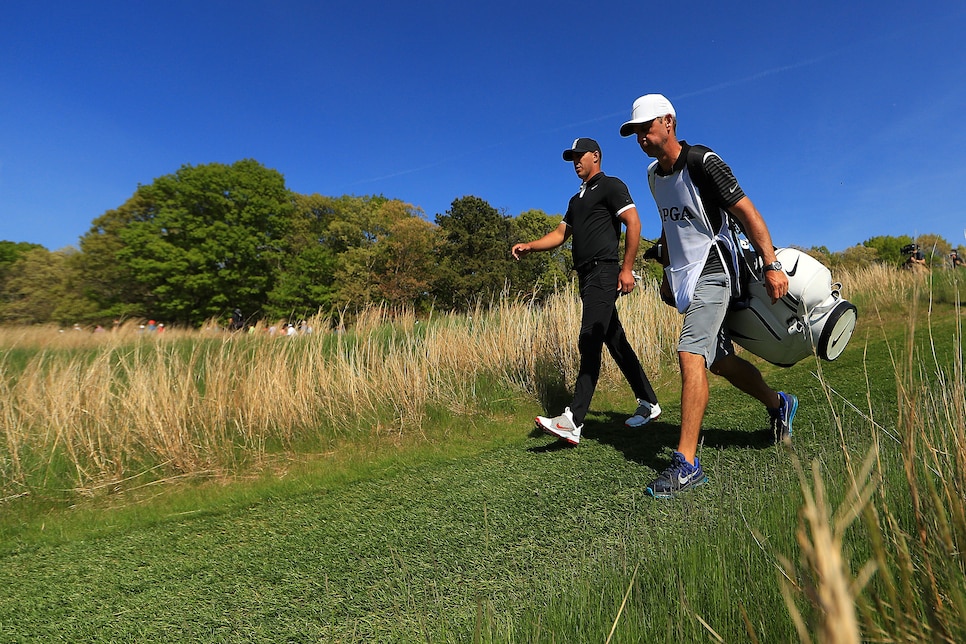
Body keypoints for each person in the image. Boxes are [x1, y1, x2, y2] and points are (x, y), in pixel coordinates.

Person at [620, 94, 797, 498]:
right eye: (635, 134)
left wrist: (771, 264)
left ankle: (687, 463)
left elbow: (747, 212)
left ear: (668, 122)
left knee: (690, 352)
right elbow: (670, 226)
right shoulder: (652, 176)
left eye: (646, 128)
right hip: (685, 276)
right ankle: (779, 403)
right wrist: (667, 271)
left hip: (716, 268)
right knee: (718, 361)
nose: (642, 139)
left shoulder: (703, 161)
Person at [512, 137, 661, 445]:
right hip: (586, 276)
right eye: (572, 158)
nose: (576, 161)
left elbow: (633, 223)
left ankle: (573, 420)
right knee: (614, 340)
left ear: (596, 156)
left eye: (580, 156)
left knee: (589, 339)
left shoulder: (611, 186)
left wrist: (627, 268)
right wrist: (531, 247)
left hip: (604, 271)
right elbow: (559, 233)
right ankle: (649, 402)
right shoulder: (576, 200)